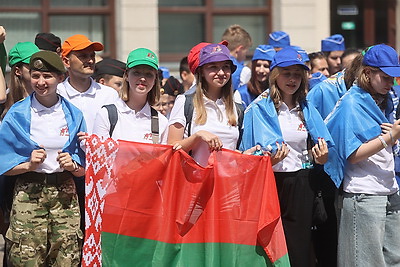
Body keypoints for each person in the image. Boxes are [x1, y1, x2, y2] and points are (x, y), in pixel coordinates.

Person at [240, 47, 333, 267]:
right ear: (275, 75)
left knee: (298, 248)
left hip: (302, 183)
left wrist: (322, 157)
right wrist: (268, 161)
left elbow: (323, 146)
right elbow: (247, 155)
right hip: (269, 183)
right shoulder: (258, 109)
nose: (292, 79)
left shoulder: (306, 107)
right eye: (287, 73)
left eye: (297, 74)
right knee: (265, 246)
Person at [0, 50, 86, 266]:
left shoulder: (74, 115)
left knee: (67, 257)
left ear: (61, 78)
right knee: (26, 258)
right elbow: (3, 164)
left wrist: (74, 165)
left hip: (65, 194)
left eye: (47, 76)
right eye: (36, 75)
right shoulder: (17, 114)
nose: (40, 82)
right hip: (29, 192)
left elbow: (85, 167)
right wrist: (28, 165)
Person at [324, 44, 400, 266]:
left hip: (389, 188)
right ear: (368, 73)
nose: (391, 83)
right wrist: (389, 137)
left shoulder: (384, 99)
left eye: (393, 78)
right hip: (363, 194)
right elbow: (352, 155)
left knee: (393, 260)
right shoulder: (351, 102)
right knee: (365, 262)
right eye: (385, 77)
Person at [57, 34, 119, 236]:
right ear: (66, 61)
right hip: (64, 176)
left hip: (102, 178)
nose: (90, 60)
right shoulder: (56, 93)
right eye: (82, 55)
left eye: (91, 55)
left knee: (101, 237)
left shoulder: (109, 94)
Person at [168, 43, 259, 167]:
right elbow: (171, 149)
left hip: (228, 183)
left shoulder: (236, 106)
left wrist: (244, 155)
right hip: (195, 183)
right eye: (213, 67)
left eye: (225, 67)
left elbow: (231, 151)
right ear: (201, 71)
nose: (221, 72)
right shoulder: (185, 101)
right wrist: (197, 136)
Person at [92, 48, 169, 143]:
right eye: (137, 73)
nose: (143, 79)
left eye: (149, 74)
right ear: (127, 76)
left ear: (155, 80)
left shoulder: (161, 122)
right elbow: (98, 155)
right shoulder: (106, 114)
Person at [1, 42, 40, 120]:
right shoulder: (4, 102)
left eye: (39, 63)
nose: (37, 68)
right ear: (18, 71)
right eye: (31, 65)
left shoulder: (51, 97)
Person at [221, 25, 252, 90]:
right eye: (246, 50)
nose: (246, 55)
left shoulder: (211, 65)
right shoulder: (244, 71)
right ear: (240, 49)